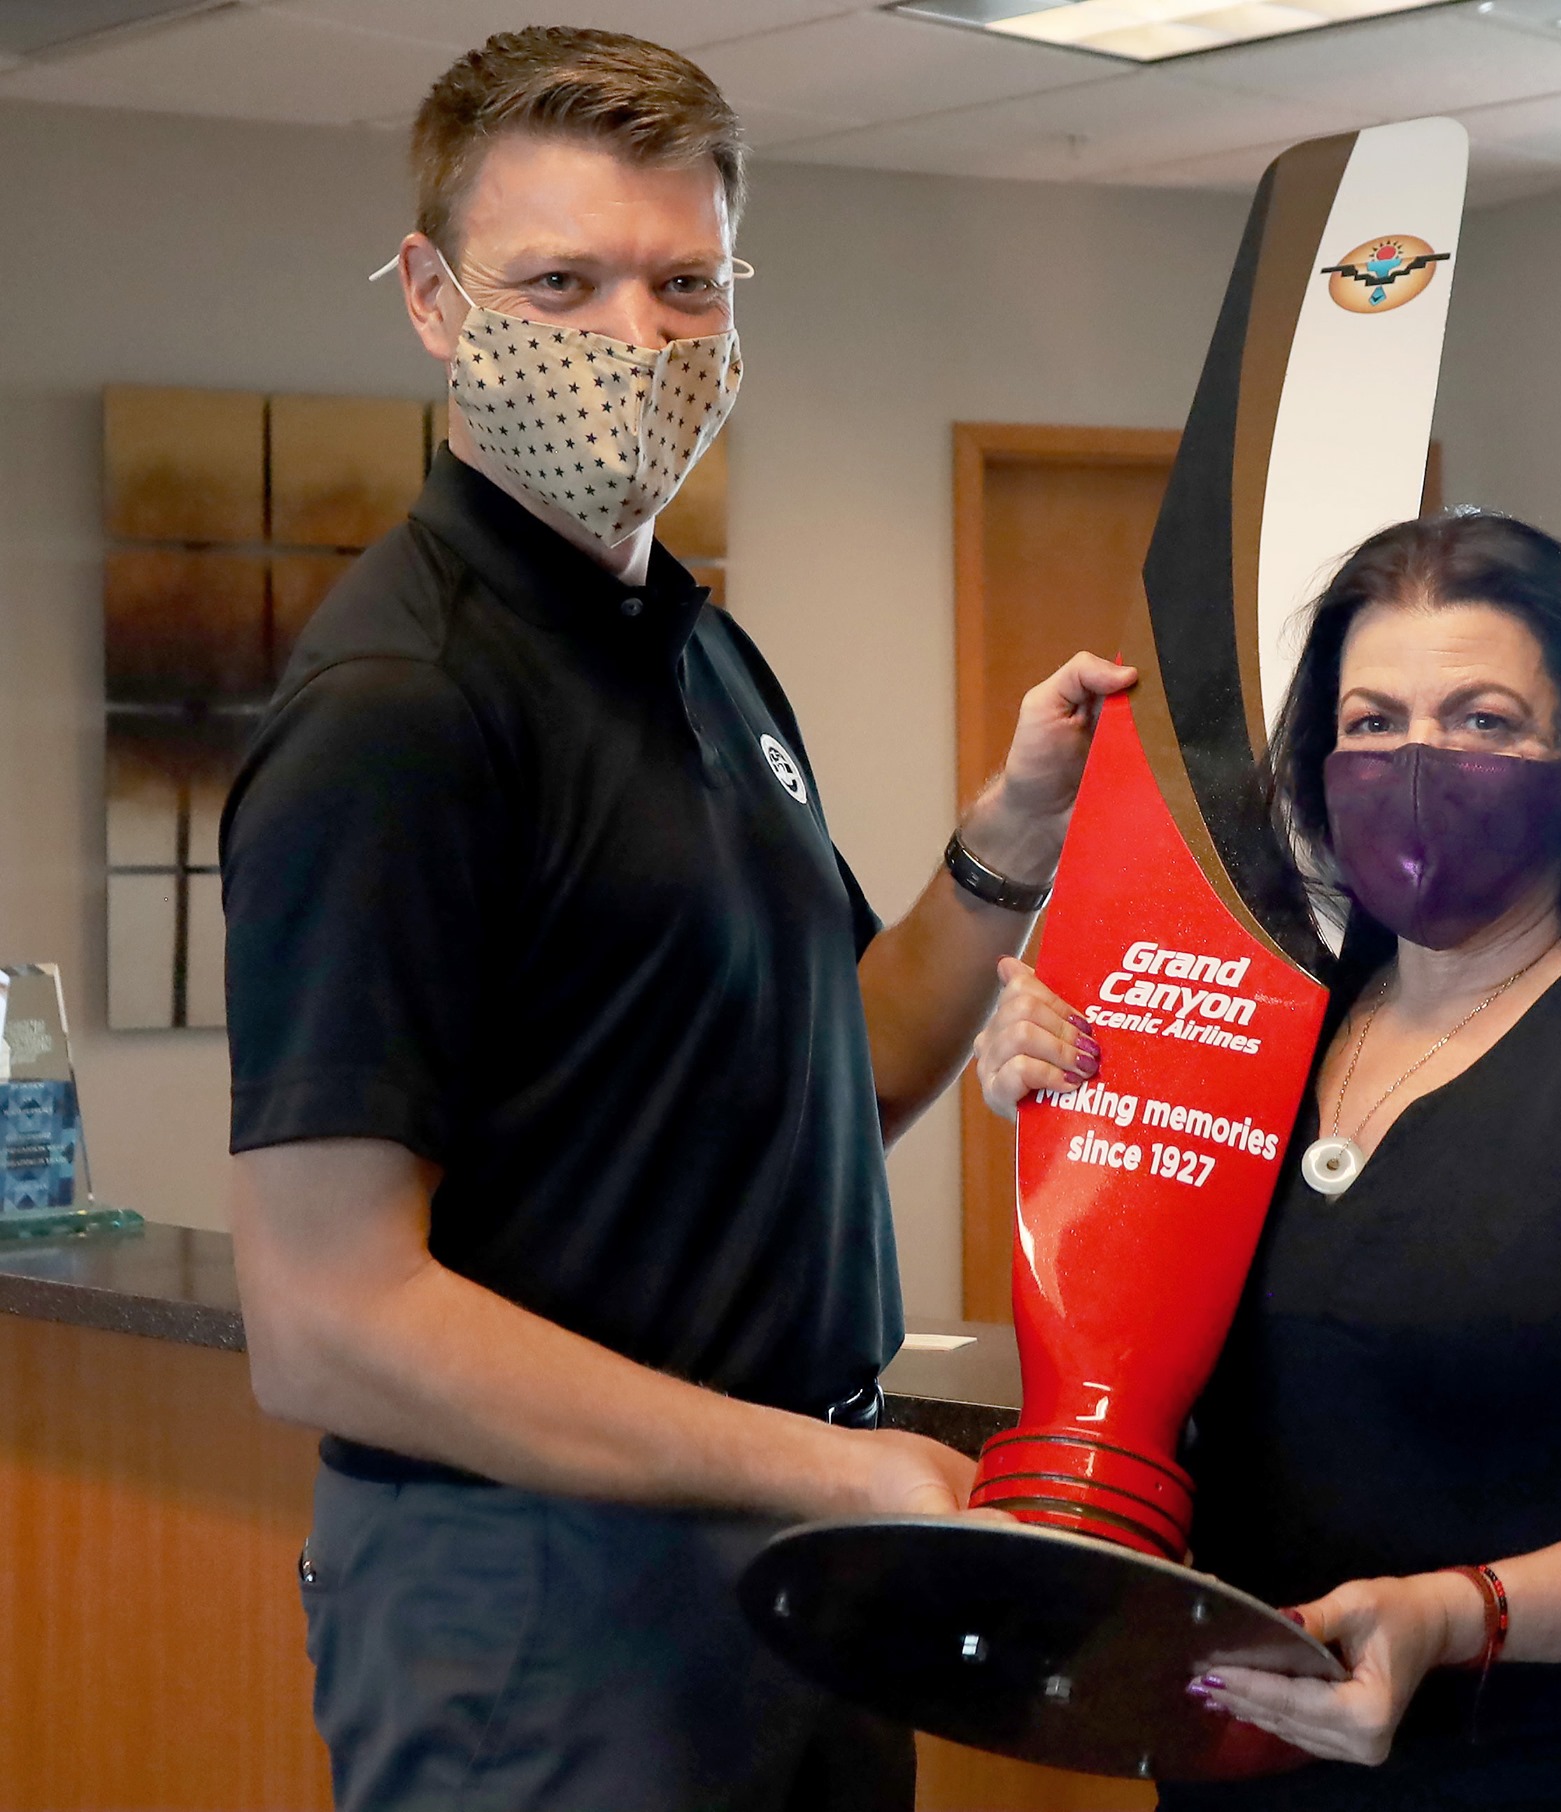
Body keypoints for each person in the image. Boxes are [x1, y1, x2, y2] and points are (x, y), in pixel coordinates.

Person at [221, 26, 1131, 1812]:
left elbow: (838, 1078)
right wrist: (831, 1469)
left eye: (686, 285)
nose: (635, 339)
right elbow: (327, 1318)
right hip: (545, 1594)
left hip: (779, 1564)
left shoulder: (697, 652)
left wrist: (1010, 835)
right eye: (560, 283)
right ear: (434, 300)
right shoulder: (402, 704)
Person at [973, 511, 1561, 1809]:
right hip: (1242, 1760)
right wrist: (1073, 1112)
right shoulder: (1271, 1004)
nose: (1416, 764)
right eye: (1373, 722)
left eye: (1483, 720)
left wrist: (1459, 1614)